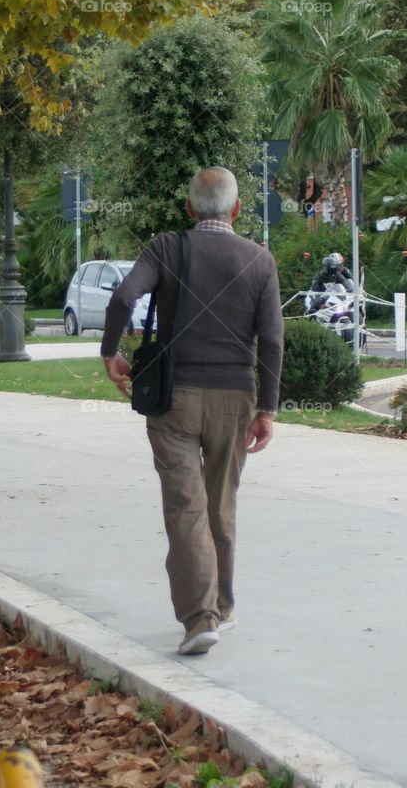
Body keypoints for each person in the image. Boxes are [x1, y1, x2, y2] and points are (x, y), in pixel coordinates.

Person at [101, 167, 283, 657]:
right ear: (237, 210)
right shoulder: (260, 261)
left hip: (173, 400)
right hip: (235, 400)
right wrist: (266, 408)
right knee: (220, 504)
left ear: (189, 209)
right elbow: (271, 339)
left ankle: (200, 618)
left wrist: (110, 351)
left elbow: (123, 296)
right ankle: (221, 606)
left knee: (186, 508)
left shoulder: (165, 248)